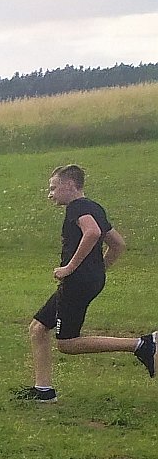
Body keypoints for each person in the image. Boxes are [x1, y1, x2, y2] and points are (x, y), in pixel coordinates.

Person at [21, 165, 155, 401]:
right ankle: (43, 391)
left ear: (69, 185)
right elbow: (118, 244)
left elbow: (92, 232)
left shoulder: (77, 207)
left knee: (67, 344)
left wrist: (70, 268)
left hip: (77, 282)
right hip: (87, 280)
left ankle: (142, 344)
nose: (50, 194)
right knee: (38, 327)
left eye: (53, 188)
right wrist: (97, 270)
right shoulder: (94, 207)